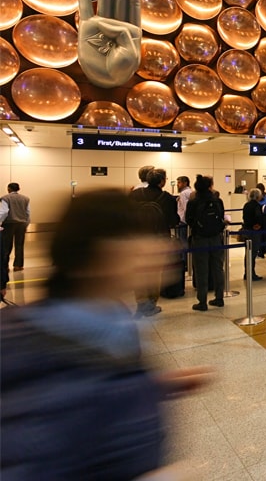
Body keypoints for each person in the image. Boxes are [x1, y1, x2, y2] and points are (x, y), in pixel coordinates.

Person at [0, 189, 211, 479]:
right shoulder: (50, 366)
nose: (160, 248)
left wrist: (148, 386)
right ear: (98, 253)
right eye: (140, 237)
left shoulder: (107, 322)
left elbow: (93, 382)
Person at [130, 169, 178, 317]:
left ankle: (141, 303)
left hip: (137, 240)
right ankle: (151, 304)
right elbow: (173, 221)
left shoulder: (135, 195)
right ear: (162, 181)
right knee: (155, 273)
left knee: (139, 273)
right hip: (159, 240)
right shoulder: (168, 198)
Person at [185, 175, 226, 311]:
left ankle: (202, 301)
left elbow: (188, 220)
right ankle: (219, 297)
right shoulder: (217, 200)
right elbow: (221, 217)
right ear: (210, 186)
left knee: (201, 270)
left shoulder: (193, 201)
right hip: (216, 238)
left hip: (200, 239)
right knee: (218, 268)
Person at [0, 183, 30, 280]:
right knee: (19, 245)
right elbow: (28, 212)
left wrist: (0, 222)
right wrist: (26, 223)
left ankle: (5, 265)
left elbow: (4, 212)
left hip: (9, 224)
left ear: (8, 189)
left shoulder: (5, 198)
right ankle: (18, 265)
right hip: (21, 224)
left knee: (6, 245)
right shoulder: (25, 198)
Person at [241, 188, 264, 281]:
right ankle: (251, 273)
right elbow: (258, 217)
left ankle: (247, 272)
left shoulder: (246, 205)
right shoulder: (257, 206)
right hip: (254, 232)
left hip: (246, 230)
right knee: (253, 253)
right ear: (258, 196)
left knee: (247, 253)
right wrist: (259, 225)